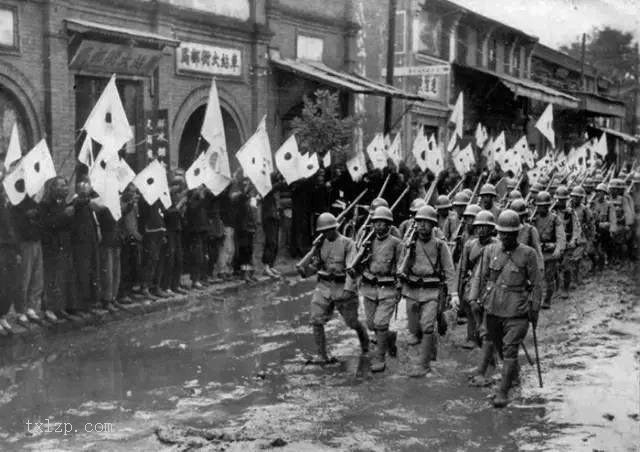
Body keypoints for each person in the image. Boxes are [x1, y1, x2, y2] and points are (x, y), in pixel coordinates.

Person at [468, 210, 541, 408]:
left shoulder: (528, 254)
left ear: (517, 232)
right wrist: (473, 298)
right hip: (493, 308)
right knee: (498, 346)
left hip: (517, 311)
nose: (506, 237)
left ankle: (503, 392)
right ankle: (514, 378)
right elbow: (479, 276)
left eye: (510, 233)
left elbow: (536, 284)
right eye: (502, 233)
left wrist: (534, 310)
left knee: (509, 350)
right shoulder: (490, 250)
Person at [297, 212, 369, 363]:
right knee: (316, 319)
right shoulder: (320, 244)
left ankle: (365, 345)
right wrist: (306, 266)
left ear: (335, 228)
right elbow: (314, 267)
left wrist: (348, 290)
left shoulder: (348, 244)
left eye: (327, 230)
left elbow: (351, 268)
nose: (324, 233)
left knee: (352, 322)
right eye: (322, 231)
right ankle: (322, 355)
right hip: (324, 286)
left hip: (342, 285)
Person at [398, 205, 458, 377]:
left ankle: (424, 365)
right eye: (419, 222)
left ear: (433, 225)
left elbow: (449, 270)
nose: (422, 225)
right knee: (414, 328)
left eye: (427, 222)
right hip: (412, 288)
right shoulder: (409, 243)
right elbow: (401, 266)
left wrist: (453, 294)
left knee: (427, 326)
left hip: (432, 290)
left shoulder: (440, 245)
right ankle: (431, 346)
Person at [349, 206, 402, 373]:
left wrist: (400, 287)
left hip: (388, 287)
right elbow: (360, 265)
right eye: (376, 223)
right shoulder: (368, 242)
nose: (378, 226)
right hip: (370, 286)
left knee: (380, 323)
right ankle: (389, 337)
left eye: (382, 223)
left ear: (388, 225)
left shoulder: (396, 243)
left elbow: (401, 265)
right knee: (372, 324)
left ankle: (380, 358)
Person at [457, 210, 498, 349]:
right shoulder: (470, 244)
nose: (481, 230)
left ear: (491, 228)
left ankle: (488, 338)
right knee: (471, 309)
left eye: (484, 227)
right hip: (473, 281)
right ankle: (472, 337)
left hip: (491, 282)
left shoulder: (497, 245)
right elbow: (463, 268)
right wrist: (460, 287)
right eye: (478, 226)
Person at [40, 177, 78, 321]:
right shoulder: (45, 205)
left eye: (66, 185)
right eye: (61, 186)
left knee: (62, 277)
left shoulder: (64, 203)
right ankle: (49, 308)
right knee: (51, 278)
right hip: (52, 246)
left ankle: (60, 307)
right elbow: (47, 224)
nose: (65, 188)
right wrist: (64, 215)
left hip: (64, 245)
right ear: (53, 188)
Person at [10, 195, 44, 325]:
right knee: (25, 277)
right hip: (25, 243)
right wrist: (26, 216)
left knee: (37, 277)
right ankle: (21, 310)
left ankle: (31, 307)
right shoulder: (16, 203)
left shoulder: (35, 202)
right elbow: (15, 226)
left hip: (36, 240)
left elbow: (42, 220)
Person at [71, 179, 101, 314]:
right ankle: (80, 304)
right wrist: (87, 197)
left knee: (91, 272)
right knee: (82, 273)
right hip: (81, 242)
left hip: (90, 241)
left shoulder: (89, 203)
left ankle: (89, 301)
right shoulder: (76, 201)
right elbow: (78, 203)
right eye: (85, 187)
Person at [532, 190, 565, 309]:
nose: (541, 209)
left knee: (549, 277)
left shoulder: (555, 218)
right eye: (539, 206)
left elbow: (561, 236)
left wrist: (557, 248)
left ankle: (547, 300)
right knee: (536, 278)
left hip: (549, 252)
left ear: (548, 206)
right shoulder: (533, 218)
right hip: (537, 251)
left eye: (543, 206)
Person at [552, 185, 581, 297]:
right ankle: (557, 287)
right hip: (555, 244)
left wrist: (574, 240)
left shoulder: (570, 212)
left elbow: (576, 228)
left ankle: (565, 288)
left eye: (563, 199)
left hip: (568, 244)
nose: (561, 202)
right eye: (559, 199)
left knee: (566, 266)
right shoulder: (552, 212)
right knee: (554, 267)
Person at [0, 173, 20, 334]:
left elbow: (13, 230)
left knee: (9, 284)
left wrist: (17, 249)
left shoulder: (7, 207)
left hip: (9, 249)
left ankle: (3, 315)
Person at [569, 186, 594, 284]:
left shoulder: (585, 209)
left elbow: (590, 224)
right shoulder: (567, 208)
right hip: (568, 236)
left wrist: (590, 238)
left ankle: (577, 279)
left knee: (577, 259)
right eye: (574, 196)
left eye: (578, 197)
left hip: (580, 237)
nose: (576, 199)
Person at [591, 183, 615, 271]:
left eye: (601, 192)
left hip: (605, 229)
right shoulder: (593, 203)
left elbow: (612, 218)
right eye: (597, 192)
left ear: (605, 194)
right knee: (593, 248)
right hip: (595, 228)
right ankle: (596, 263)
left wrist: (610, 228)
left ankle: (609, 260)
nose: (599, 194)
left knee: (607, 245)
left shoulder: (609, 204)